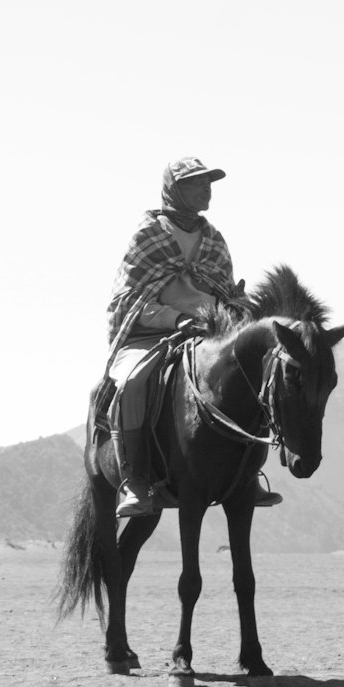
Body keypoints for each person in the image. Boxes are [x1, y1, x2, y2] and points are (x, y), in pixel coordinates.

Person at [105, 156, 283, 518]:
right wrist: (176, 319)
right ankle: (135, 480)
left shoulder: (214, 239)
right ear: (174, 189)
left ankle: (247, 475)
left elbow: (227, 292)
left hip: (210, 334)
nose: (207, 189)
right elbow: (128, 302)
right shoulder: (148, 235)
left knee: (252, 378)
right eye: (196, 183)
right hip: (152, 333)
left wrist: (239, 310)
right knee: (132, 382)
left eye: (209, 183)